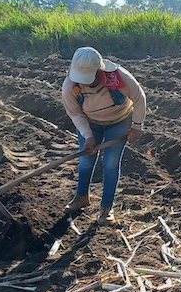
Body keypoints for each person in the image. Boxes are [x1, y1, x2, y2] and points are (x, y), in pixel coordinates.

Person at [61, 47, 146, 225]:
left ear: (100, 71)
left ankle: (106, 207)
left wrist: (136, 126)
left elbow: (139, 97)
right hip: (90, 123)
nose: (83, 83)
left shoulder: (119, 77)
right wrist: (88, 136)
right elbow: (75, 114)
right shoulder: (70, 85)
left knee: (111, 163)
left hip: (119, 121)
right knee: (85, 161)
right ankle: (82, 197)